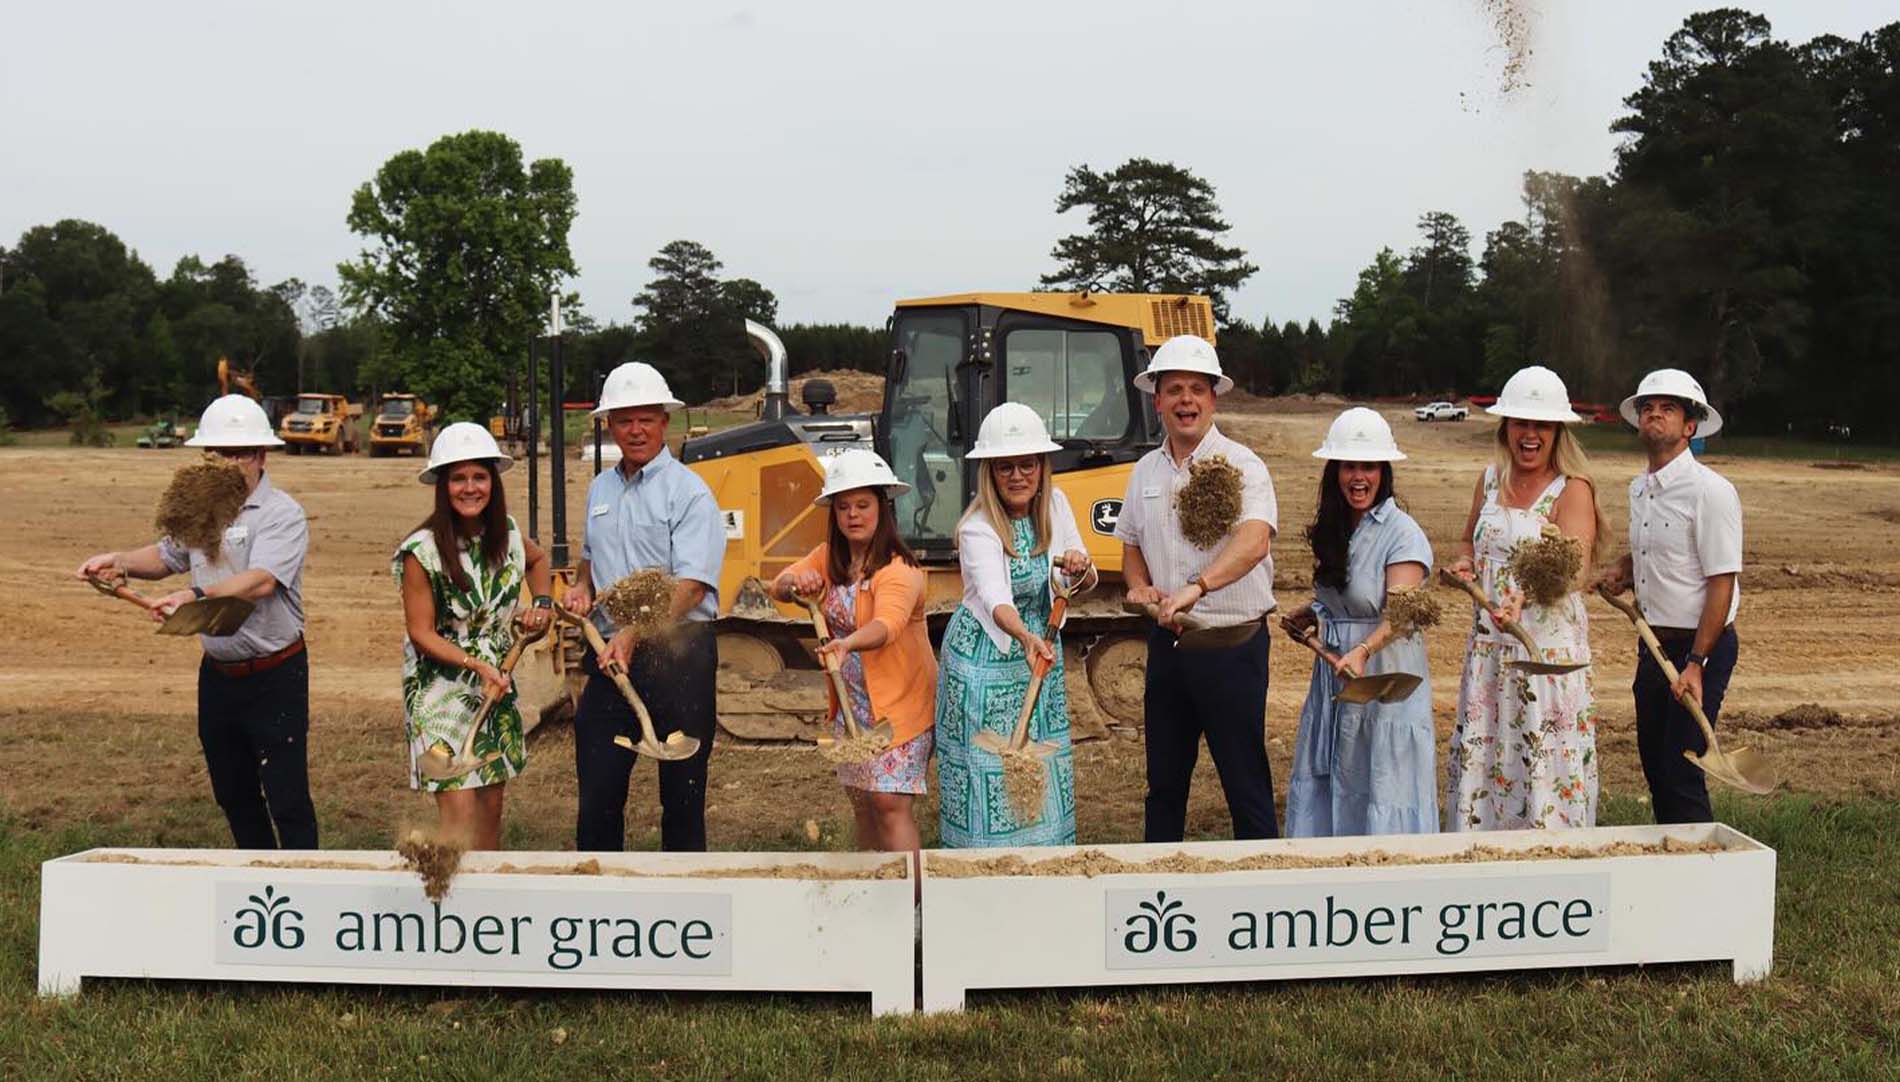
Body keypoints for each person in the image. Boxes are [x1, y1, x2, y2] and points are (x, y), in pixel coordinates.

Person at [75, 395, 317, 849]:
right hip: (219, 677)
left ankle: (305, 885)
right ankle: (257, 879)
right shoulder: (202, 508)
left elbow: (262, 581)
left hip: (276, 674)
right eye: (217, 454)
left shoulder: (283, 513)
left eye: (237, 453)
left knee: (287, 797)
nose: (227, 463)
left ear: (261, 455)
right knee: (234, 793)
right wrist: (118, 561)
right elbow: (167, 556)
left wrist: (195, 594)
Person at [1114, 335, 1280, 842]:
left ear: (1214, 398)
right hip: (1169, 647)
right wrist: (1140, 585)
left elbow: (1254, 541)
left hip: (1232, 645)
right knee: (1163, 783)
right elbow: (1131, 544)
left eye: (1196, 390)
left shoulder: (1243, 465)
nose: (1186, 400)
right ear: (1157, 400)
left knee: (1244, 781)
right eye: (1174, 390)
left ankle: (1261, 889)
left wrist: (1199, 586)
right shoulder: (1144, 470)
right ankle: (1155, 892)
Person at [562, 362, 725, 852]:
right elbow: (591, 561)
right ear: (608, 425)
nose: (635, 430)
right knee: (598, 793)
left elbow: (693, 587)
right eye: (624, 419)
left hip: (679, 654)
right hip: (611, 657)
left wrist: (633, 632)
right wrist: (580, 588)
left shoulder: (689, 493)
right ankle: (600, 900)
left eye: (646, 419)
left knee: (682, 796)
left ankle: (685, 910)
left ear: (664, 422)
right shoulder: (600, 490)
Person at [1447, 365, 1608, 831]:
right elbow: (1467, 540)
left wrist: (1522, 597)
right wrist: (1465, 565)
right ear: (1506, 428)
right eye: (1521, 423)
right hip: (1491, 655)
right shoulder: (1490, 480)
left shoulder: (1571, 490)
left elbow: (1574, 570)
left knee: (1539, 754)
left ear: (1557, 432)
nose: (1530, 435)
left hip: (1544, 656)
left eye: (1541, 425)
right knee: (1490, 761)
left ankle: (1548, 858)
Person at [934, 404, 1097, 847]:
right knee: (987, 763)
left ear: (1042, 468)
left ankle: (1042, 861)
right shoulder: (977, 527)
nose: (1018, 475)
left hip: (1040, 653)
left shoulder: (1057, 505)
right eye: (1006, 466)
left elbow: (1079, 572)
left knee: (1040, 760)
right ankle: (981, 864)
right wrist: (1024, 635)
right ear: (990, 472)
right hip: (986, 656)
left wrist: (1080, 568)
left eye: (1027, 464)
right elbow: (993, 598)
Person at [393, 422, 552, 849]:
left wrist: (542, 605)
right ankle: (447, 900)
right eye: (458, 478)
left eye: (479, 477)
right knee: (459, 808)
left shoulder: (508, 535)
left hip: (496, 685)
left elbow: (538, 562)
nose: (470, 488)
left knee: (490, 809)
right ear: (442, 485)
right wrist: (476, 664)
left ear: (492, 483)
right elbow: (420, 632)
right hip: (440, 689)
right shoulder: (421, 551)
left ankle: (488, 908)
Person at [770, 449, 937, 854]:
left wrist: (847, 642)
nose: (853, 515)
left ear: (883, 507)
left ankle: (911, 903)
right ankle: (871, 889)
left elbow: (887, 625)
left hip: (900, 704)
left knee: (889, 802)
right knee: (863, 801)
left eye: (863, 505)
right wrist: (799, 583)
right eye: (843, 507)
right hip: (853, 705)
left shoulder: (900, 568)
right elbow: (777, 585)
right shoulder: (831, 557)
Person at [1594, 370, 1742, 824]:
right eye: (1647, 407)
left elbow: (1722, 581)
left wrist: (1696, 663)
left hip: (1701, 648)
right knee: (1656, 769)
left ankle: (1701, 878)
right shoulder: (1640, 489)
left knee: (1681, 771)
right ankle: (1671, 861)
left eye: (1668, 408)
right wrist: (1625, 567)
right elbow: (1659, 546)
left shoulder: (1710, 492)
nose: (1654, 413)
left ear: (1690, 426)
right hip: (1653, 645)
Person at [1284, 408, 1437, 837]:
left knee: (1383, 778)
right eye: (1350, 465)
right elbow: (1343, 598)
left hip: (1383, 675)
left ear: (1383, 472)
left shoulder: (1403, 534)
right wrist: (1312, 614)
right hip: (1337, 671)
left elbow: (1403, 615)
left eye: (1368, 466)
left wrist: (1364, 649)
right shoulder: (1337, 528)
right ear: (1335, 471)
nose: (1359, 477)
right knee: (1339, 770)